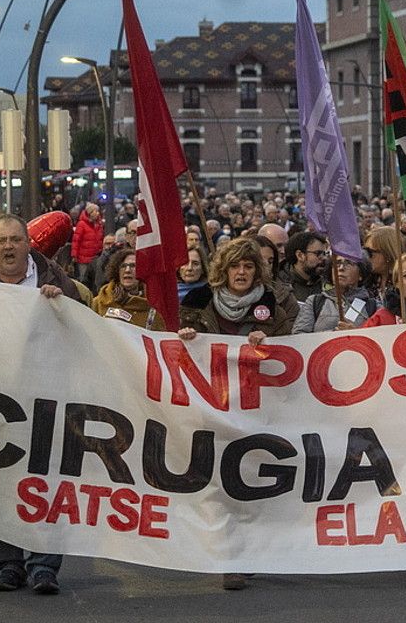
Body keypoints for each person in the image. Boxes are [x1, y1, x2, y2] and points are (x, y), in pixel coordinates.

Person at [0, 214, 83, 594]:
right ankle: (9, 564)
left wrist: (63, 306)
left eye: (16, 239)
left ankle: (44, 565)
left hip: (45, 396)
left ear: (29, 243)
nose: (9, 247)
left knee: (44, 481)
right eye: (1, 240)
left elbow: (82, 331)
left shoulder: (55, 279)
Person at [177, 238, 298, 592]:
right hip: (211, 408)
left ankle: (247, 554)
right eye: (235, 267)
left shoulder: (270, 304)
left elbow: (292, 349)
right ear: (223, 270)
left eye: (247, 266)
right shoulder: (198, 301)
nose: (241, 272)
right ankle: (230, 559)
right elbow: (171, 344)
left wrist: (272, 341)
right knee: (218, 484)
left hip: (257, 409)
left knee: (250, 483)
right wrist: (187, 338)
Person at [293, 255, 374, 332]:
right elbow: (299, 336)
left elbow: (381, 338)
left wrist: (356, 334)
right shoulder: (314, 302)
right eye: (337, 263)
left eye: (349, 263)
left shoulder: (373, 306)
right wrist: (332, 336)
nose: (341, 268)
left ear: (361, 274)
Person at [90, 249, 163, 329]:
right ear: (117, 271)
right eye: (123, 266)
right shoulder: (99, 302)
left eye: (133, 266)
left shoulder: (153, 308)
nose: (127, 270)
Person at [282, 230, 329, 303]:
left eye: (324, 254)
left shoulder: (327, 283)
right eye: (318, 253)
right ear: (300, 255)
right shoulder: (280, 285)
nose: (324, 258)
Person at [71, 202, 104, 273]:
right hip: (84, 259)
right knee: (84, 278)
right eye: (96, 211)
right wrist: (74, 255)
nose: (98, 213)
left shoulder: (99, 225)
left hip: (95, 258)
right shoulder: (82, 224)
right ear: (90, 213)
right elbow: (76, 240)